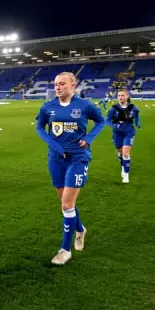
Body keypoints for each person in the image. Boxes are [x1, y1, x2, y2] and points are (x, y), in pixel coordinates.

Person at [36, 72, 107, 266]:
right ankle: (81, 229)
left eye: (62, 84)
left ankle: (65, 250)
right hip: (56, 159)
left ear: (73, 85)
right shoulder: (47, 107)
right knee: (66, 203)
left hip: (78, 158)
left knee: (66, 205)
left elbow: (101, 121)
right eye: (56, 84)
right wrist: (55, 145)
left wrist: (89, 139)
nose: (57, 87)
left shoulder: (85, 106)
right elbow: (40, 128)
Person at [105, 89, 140, 184]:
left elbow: (137, 115)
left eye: (122, 95)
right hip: (117, 134)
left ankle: (126, 174)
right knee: (120, 153)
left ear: (127, 96)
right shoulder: (114, 109)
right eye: (119, 95)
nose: (120, 97)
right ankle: (123, 166)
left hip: (129, 132)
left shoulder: (132, 107)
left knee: (125, 153)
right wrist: (114, 125)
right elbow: (107, 120)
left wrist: (138, 123)